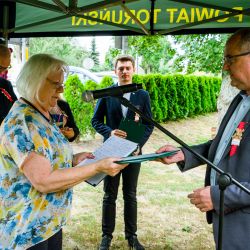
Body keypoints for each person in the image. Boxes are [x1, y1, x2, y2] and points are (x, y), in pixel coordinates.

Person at [0, 53, 127, 250]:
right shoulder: (23, 121)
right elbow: (44, 180)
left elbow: (47, 154)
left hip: (48, 223)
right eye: (56, 84)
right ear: (35, 81)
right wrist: (96, 167)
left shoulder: (41, 113)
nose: (61, 89)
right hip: (27, 231)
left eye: (62, 84)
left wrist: (75, 159)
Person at [156, 28, 250, 250]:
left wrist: (219, 197)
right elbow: (222, 147)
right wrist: (183, 154)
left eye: (230, 58)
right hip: (228, 224)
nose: (225, 66)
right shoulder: (241, 98)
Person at [92, 55, 154, 250]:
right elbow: (95, 121)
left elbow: (148, 124)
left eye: (128, 68)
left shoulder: (142, 95)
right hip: (111, 152)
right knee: (109, 195)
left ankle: (132, 238)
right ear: (115, 71)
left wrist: (138, 146)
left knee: (130, 194)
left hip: (134, 153)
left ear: (133, 70)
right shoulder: (107, 93)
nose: (125, 71)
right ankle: (106, 237)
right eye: (121, 69)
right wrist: (109, 132)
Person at [0, 44, 17, 124]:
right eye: (0, 67)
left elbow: (16, 108)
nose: (2, 71)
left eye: (6, 67)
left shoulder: (6, 85)